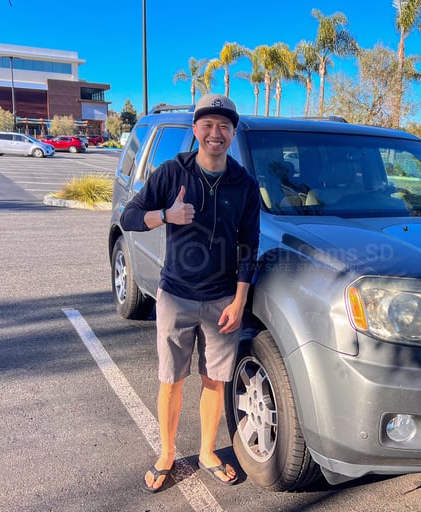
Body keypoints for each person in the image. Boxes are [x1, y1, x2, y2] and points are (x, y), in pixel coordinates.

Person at [120, 94, 260, 493]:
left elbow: (249, 244)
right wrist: (166, 215)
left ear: (233, 133)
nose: (216, 133)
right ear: (196, 129)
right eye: (208, 125)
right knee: (171, 380)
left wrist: (239, 300)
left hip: (222, 301)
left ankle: (207, 453)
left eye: (224, 126)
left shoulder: (244, 184)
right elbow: (130, 216)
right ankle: (166, 453)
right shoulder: (171, 172)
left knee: (214, 380)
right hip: (176, 296)